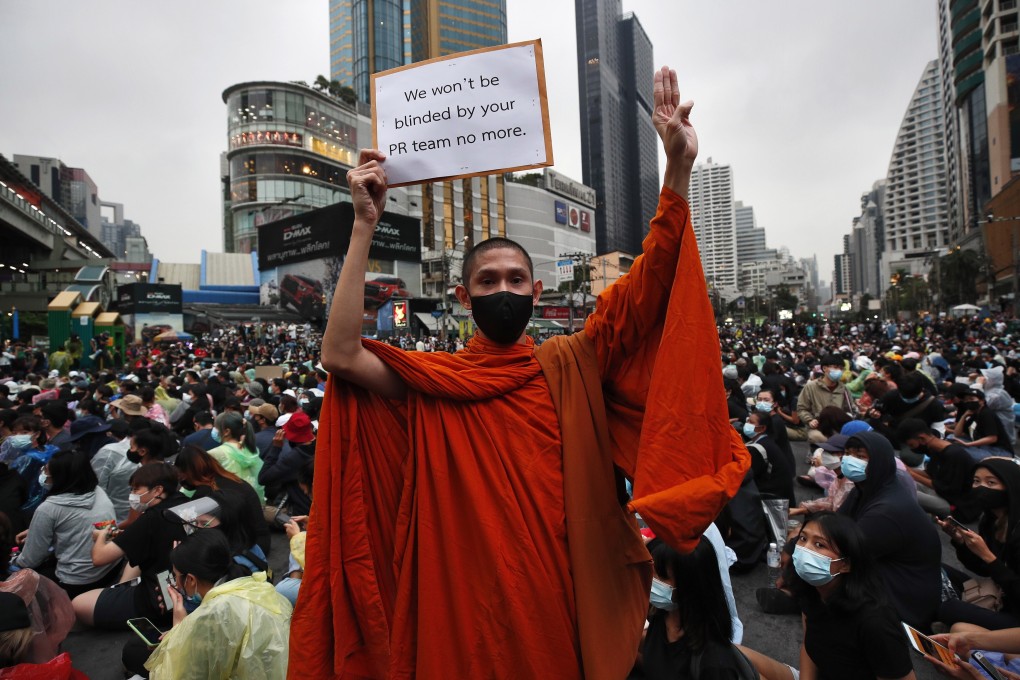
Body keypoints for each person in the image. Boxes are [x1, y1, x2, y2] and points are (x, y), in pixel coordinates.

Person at [292, 66, 751, 679]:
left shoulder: (572, 361)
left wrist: (678, 171)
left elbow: (652, 280)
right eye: (488, 282)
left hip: (560, 594)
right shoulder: (439, 382)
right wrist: (363, 224)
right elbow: (341, 352)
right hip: (466, 606)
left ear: (536, 292)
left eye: (514, 281)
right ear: (463, 297)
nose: (502, 290)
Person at [740, 512, 916, 680]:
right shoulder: (812, 591)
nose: (805, 549)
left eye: (819, 545)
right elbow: (810, 647)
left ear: (846, 564)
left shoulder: (876, 623)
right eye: (803, 538)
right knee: (732, 656)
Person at [132, 529, 291, 679]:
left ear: (191, 580)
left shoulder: (212, 614)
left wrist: (179, 629)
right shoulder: (254, 584)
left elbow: (181, 673)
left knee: (133, 651)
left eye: (176, 576)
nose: (176, 584)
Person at [837, 431, 942, 631]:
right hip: (884, 570)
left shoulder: (888, 510)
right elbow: (837, 523)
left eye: (860, 456)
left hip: (904, 599)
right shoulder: (866, 489)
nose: (850, 460)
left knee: (827, 569)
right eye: (847, 453)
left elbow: (846, 552)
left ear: (880, 461)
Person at [72, 463, 189, 629]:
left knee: (78, 604)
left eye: (136, 490)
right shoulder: (185, 503)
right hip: (185, 588)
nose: (132, 495)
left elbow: (99, 557)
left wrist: (101, 535)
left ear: (157, 490)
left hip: (159, 599)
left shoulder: (149, 520)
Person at [634, 538, 755, 679]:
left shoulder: (713, 663)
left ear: (689, 585)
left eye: (661, 576)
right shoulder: (662, 614)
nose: (651, 581)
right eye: (651, 572)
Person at [11, 451, 121, 599]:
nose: (43, 474)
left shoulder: (49, 508)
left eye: (47, 472)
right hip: (111, 568)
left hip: (76, 582)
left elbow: (31, 559)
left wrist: (14, 561)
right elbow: (89, 527)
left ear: (60, 478)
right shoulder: (98, 491)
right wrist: (36, 530)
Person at [935, 457, 1020, 630]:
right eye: (976, 481)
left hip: (1015, 611)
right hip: (999, 594)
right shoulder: (990, 520)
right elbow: (981, 569)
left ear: (1010, 486)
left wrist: (987, 556)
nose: (981, 488)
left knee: (949, 609)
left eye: (991, 483)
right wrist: (961, 543)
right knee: (936, 568)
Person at [174, 445, 270, 555]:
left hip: (246, 548)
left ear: (184, 474)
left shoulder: (205, 493)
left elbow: (198, 532)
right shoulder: (231, 479)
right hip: (259, 541)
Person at [897, 418, 975, 520]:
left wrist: (912, 474)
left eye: (912, 445)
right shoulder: (936, 449)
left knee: (905, 491)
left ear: (922, 439)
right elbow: (930, 474)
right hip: (940, 494)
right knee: (901, 483)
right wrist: (906, 470)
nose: (912, 449)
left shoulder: (955, 455)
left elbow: (948, 489)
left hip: (957, 505)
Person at [258, 409, 315, 516]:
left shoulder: (294, 458)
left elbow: (264, 478)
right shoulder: (323, 448)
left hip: (301, 513)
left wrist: (275, 448)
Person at [207, 412, 264, 503]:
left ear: (226, 432)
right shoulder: (250, 450)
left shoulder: (216, 453)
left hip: (230, 504)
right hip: (253, 502)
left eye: (216, 427)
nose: (213, 430)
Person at [796, 355, 853, 444]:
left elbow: (850, 410)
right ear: (824, 368)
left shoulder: (844, 389)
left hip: (839, 428)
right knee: (816, 437)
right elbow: (801, 408)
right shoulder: (811, 387)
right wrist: (810, 420)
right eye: (835, 367)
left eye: (841, 368)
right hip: (819, 427)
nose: (839, 371)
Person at [89, 419, 137, 523]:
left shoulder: (109, 452)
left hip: (110, 519)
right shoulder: (111, 452)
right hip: (118, 519)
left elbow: (96, 487)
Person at [953, 388, 1014, 460]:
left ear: (981, 401)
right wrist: (964, 416)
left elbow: (992, 438)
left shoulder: (986, 413)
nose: (968, 402)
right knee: (952, 440)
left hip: (999, 451)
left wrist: (969, 444)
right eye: (966, 400)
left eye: (971, 399)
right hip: (984, 446)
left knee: (959, 453)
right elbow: (957, 434)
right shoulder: (974, 413)